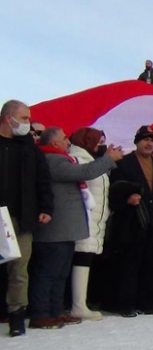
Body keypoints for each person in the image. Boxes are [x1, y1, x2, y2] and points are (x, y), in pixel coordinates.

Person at [32, 127, 120, 329]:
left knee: (60, 272)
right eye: (63, 138)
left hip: (66, 227)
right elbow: (85, 172)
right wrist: (108, 159)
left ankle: (55, 311)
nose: (67, 141)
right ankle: (40, 313)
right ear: (54, 143)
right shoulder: (53, 160)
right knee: (47, 273)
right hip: (55, 228)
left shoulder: (62, 158)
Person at [0, 100, 54, 336]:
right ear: (7, 117)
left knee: (19, 269)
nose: (27, 124)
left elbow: (43, 181)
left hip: (21, 217)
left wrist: (46, 207)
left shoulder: (30, 150)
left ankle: (17, 316)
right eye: (24, 119)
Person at [108, 125, 153, 317]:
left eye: (151, 140)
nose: (149, 143)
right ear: (137, 142)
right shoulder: (124, 163)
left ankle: (150, 303)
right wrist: (126, 199)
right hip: (133, 220)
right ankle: (127, 304)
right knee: (130, 263)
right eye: (145, 139)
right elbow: (113, 188)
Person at [67, 127, 112, 321]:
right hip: (83, 218)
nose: (100, 145)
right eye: (97, 141)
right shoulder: (77, 159)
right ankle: (77, 305)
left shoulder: (91, 161)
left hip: (94, 220)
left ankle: (80, 303)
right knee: (80, 259)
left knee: (85, 260)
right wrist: (107, 160)